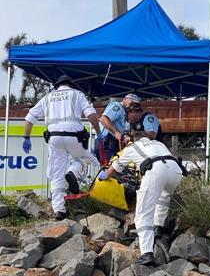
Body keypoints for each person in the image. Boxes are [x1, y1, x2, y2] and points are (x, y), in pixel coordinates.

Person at [22, 75, 103, 221]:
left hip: (54, 137)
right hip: (75, 136)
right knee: (86, 157)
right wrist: (99, 133)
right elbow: (91, 115)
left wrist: (26, 138)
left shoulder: (47, 97)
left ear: (57, 85)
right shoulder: (77, 94)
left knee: (56, 173)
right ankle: (73, 172)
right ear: (70, 84)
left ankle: (59, 210)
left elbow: (29, 119)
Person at [98, 131, 183, 266]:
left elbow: (115, 168)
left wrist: (104, 176)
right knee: (164, 195)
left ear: (133, 140)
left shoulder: (132, 147)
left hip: (155, 170)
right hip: (176, 171)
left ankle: (147, 253)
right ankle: (158, 227)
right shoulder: (158, 143)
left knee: (143, 214)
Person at [95, 93, 140, 162]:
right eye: (131, 103)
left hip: (111, 143)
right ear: (125, 99)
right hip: (106, 142)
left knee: (111, 168)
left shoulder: (124, 112)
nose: (132, 107)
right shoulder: (117, 107)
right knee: (110, 167)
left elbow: (120, 128)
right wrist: (115, 132)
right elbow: (103, 119)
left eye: (134, 105)